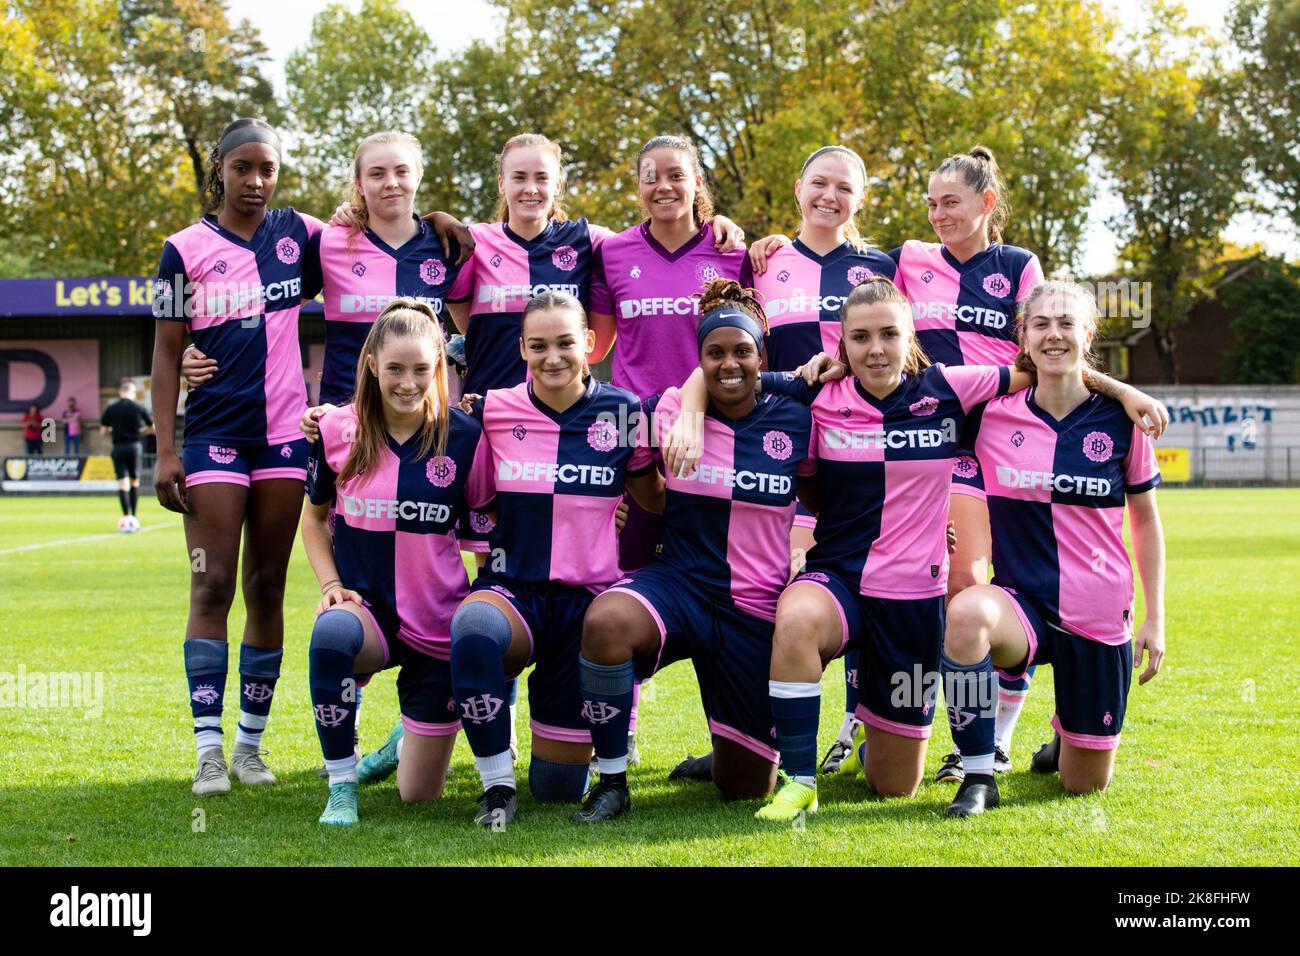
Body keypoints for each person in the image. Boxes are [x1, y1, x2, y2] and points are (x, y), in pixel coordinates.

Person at [662, 276, 1161, 820]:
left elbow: (1051, 367)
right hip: (840, 580)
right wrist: (690, 408)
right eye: (860, 337)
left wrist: (1124, 390)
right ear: (843, 344)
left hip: (912, 600)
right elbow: (730, 370)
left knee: (896, 785)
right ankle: (799, 780)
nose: (875, 349)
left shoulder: (951, 388)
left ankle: (1051, 737)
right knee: (798, 614)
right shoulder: (817, 390)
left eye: (888, 335)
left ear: (909, 337)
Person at [573, 279, 810, 821]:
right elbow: (598, 423)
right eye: (715, 352)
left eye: (742, 351)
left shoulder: (796, 413)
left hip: (753, 607)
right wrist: (624, 499)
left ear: (761, 354)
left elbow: (838, 487)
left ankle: (724, 753)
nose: (729, 363)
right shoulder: (669, 409)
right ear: (698, 358)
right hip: (678, 584)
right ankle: (611, 780)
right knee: (607, 621)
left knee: (746, 787)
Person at [941, 280, 1166, 816]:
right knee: (967, 613)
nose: (1054, 334)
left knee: (1084, 784)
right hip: (1023, 604)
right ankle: (978, 771)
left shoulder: (1122, 422)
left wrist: (1155, 617)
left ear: (1087, 335)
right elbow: (916, 427)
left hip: (1098, 611)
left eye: (1067, 323)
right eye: (1040, 324)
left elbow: (1146, 521)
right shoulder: (991, 415)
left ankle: (1069, 735)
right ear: (1023, 335)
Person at [151, 117, 324, 796]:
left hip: (284, 436)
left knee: (268, 587)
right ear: (218, 169)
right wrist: (165, 451)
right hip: (213, 438)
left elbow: (369, 236)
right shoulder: (183, 249)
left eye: (268, 169)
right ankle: (208, 752)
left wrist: (438, 220)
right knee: (213, 584)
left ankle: (250, 746)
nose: (255, 181)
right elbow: (167, 353)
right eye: (242, 167)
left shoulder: (301, 235)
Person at [448, 291, 663, 829]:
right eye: (538, 345)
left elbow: (652, 498)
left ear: (589, 343)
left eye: (566, 343)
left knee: (557, 789)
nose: (553, 357)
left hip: (586, 608)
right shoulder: (494, 409)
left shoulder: (625, 411)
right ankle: (496, 788)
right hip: (513, 592)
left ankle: (610, 776)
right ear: (521, 347)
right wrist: (331, 416)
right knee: (473, 625)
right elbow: (473, 494)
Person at [740, 144, 899, 773]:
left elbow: (903, 351)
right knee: (773, 592)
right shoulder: (765, 260)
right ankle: (758, 737)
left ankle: (853, 725)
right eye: (818, 184)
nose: (829, 197)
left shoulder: (882, 267)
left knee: (867, 580)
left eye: (844, 188)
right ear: (798, 186)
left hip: (861, 451)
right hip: (778, 452)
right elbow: (736, 352)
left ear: (861, 199)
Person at [302, 298, 492, 825]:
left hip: (438, 623)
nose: (408, 383)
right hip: (369, 615)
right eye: (394, 369)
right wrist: (332, 583)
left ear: (439, 369)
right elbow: (314, 520)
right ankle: (342, 786)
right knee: (330, 635)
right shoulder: (337, 430)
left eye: (421, 370)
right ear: (371, 366)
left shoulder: (465, 436)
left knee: (417, 796)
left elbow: (489, 526)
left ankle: (405, 737)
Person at [894, 146, 1049, 781]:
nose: (937, 215)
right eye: (930, 203)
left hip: (1008, 447)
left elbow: (1046, 347)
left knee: (992, 588)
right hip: (934, 448)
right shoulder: (910, 260)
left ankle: (997, 737)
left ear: (986, 203)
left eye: (950, 202)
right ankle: (885, 723)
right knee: (938, 587)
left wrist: (1119, 391)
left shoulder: (1017, 265)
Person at [99, 381, 154, 529]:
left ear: (120, 392)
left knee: (122, 483)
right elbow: (152, 427)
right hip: (134, 447)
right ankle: (134, 517)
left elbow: (103, 431)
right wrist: (139, 431)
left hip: (118, 448)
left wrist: (113, 430)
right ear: (132, 392)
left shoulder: (111, 408)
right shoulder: (138, 407)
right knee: (135, 481)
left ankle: (125, 516)